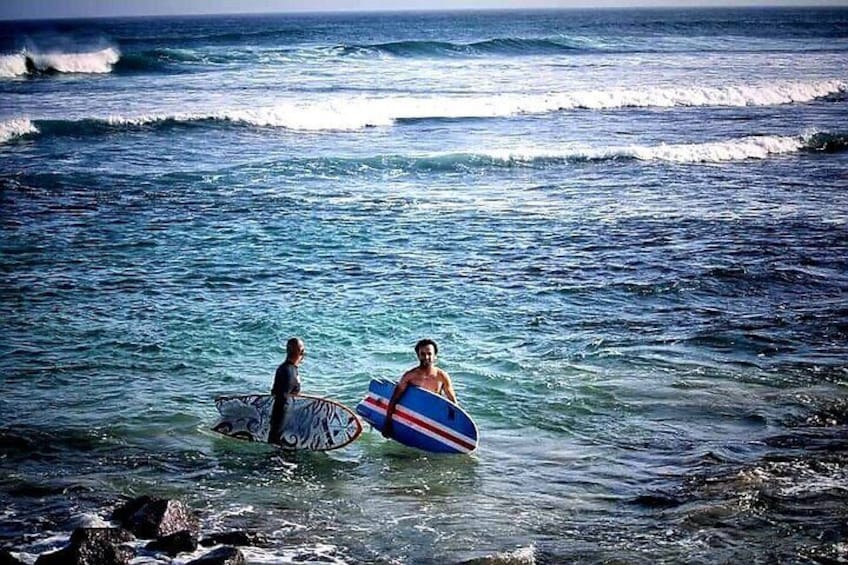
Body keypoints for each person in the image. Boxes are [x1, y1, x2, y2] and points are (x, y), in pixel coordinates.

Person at [382, 338, 457, 438]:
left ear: (435, 356)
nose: (426, 357)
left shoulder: (442, 376)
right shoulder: (409, 376)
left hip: (434, 418)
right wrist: (388, 422)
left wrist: (454, 423)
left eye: (429, 354)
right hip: (413, 418)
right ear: (418, 355)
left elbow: (453, 402)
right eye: (422, 354)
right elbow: (394, 400)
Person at [268, 337, 304, 444]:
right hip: (282, 422)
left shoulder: (287, 369)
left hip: (283, 420)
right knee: (277, 448)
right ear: (299, 352)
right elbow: (283, 397)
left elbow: (276, 393)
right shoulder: (288, 371)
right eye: (302, 351)